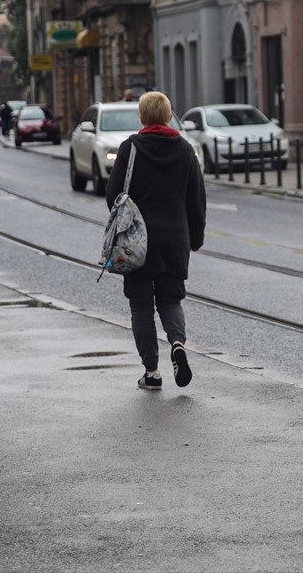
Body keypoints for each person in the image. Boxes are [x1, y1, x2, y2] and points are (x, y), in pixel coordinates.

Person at [105, 91, 206, 390]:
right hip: (175, 238)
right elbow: (197, 199)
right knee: (170, 299)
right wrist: (196, 238)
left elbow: (113, 195)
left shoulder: (130, 149)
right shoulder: (186, 150)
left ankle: (152, 372)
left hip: (137, 241)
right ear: (167, 115)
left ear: (142, 116)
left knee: (140, 306)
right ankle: (177, 344)